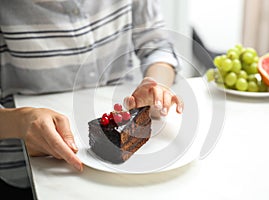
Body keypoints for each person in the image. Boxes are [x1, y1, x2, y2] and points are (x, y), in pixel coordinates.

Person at [0, 0, 183, 172]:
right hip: (29, 169)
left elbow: (157, 46)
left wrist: (156, 87)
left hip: (133, 166)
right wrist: (19, 121)